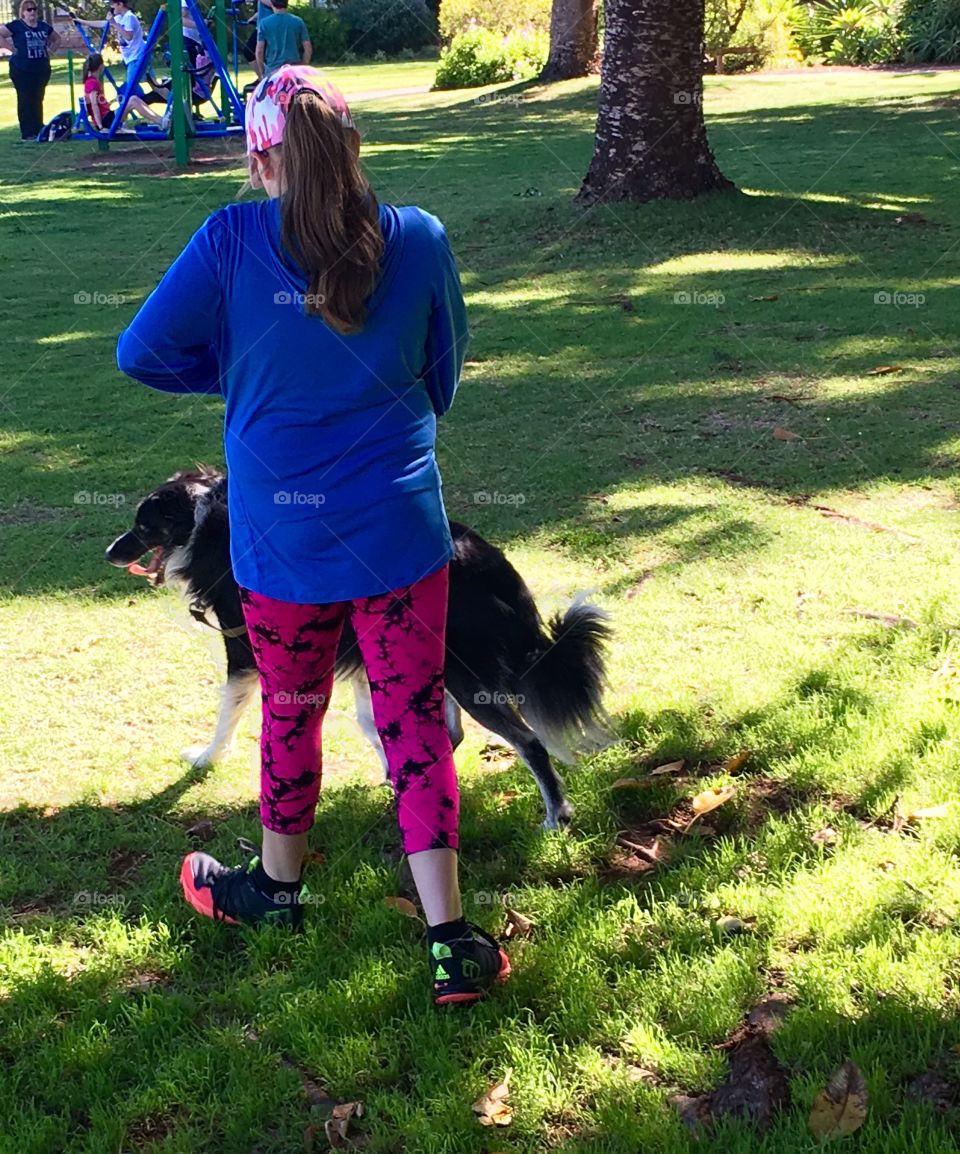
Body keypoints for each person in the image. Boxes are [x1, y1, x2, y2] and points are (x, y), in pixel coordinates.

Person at [116, 66, 510, 1006]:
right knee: (414, 723)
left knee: (292, 713)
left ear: (260, 158)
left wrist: (246, 382)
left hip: (282, 549)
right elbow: (443, 379)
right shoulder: (418, 238)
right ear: (353, 145)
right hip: (401, 536)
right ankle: (451, 940)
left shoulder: (230, 239)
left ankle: (275, 891)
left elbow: (140, 351)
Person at [0, 0, 61, 141]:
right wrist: (11, 49)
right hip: (21, 68)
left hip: (41, 68)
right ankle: (27, 132)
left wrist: (50, 51)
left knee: (38, 98)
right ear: (23, 12)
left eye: (34, 9)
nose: (32, 12)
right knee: (25, 99)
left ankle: (38, 128)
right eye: (29, 10)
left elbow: (57, 39)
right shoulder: (16, 26)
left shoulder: (43, 26)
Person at [82, 52, 164, 131]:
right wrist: (100, 127)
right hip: (106, 122)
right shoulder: (91, 83)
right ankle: (161, 122)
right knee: (133, 100)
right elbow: (94, 105)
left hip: (108, 117)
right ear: (101, 66)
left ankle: (161, 121)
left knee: (133, 99)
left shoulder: (92, 81)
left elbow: (99, 104)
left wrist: (112, 102)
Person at [76, 0, 144, 87]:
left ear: (120, 4)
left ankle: (138, 100)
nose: (111, 7)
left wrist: (114, 24)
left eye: (112, 4)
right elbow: (102, 23)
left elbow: (129, 37)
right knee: (152, 85)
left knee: (131, 87)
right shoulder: (120, 17)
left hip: (136, 57)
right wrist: (81, 21)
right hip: (132, 57)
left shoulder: (129, 17)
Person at [255, 0, 309, 78]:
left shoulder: (264, 23)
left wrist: (262, 71)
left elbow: (259, 50)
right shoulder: (298, 21)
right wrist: (302, 67)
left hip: (273, 71)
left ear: (272, 3)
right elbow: (308, 49)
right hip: (293, 71)